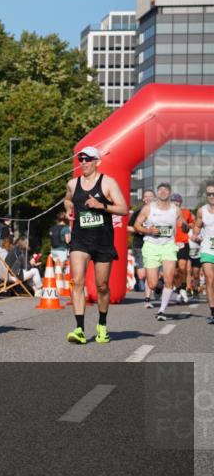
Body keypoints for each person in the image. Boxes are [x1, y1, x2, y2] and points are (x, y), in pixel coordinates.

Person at [64, 146, 129, 344]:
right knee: (77, 281)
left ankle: (102, 325)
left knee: (102, 286)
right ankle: (79, 329)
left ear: (97, 162)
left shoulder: (108, 183)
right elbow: (67, 200)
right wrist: (68, 208)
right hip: (80, 240)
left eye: (87, 159)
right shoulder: (73, 184)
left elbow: (124, 209)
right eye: (80, 159)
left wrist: (102, 206)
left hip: (102, 240)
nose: (83, 162)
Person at [134, 182, 186, 323]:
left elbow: (183, 224)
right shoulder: (148, 208)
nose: (163, 192)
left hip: (168, 246)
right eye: (160, 190)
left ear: (169, 193)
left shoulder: (175, 209)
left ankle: (162, 310)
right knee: (152, 284)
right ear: (157, 193)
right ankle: (159, 286)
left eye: (165, 190)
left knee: (169, 277)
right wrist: (148, 230)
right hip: (151, 246)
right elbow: (137, 225)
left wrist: (188, 227)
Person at [192, 181, 214, 324]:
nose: (212, 196)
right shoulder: (202, 211)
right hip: (207, 249)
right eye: (209, 194)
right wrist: (195, 235)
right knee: (209, 279)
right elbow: (196, 227)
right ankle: (213, 311)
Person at [128, 189, 155, 300]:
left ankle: (148, 296)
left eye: (150, 196)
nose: (148, 198)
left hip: (155, 244)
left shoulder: (159, 212)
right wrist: (140, 230)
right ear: (143, 198)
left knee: (151, 270)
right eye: (146, 196)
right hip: (140, 244)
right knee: (141, 275)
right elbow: (128, 227)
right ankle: (155, 286)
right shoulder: (137, 212)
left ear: (154, 198)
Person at [171, 193, 194, 303]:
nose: (176, 203)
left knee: (182, 267)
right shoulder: (167, 213)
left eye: (178, 201)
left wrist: (188, 226)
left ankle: (183, 287)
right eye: (174, 201)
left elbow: (193, 223)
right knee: (174, 271)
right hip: (170, 244)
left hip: (183, 243)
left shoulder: (186, 212)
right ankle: (179, 289)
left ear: (180, 202)